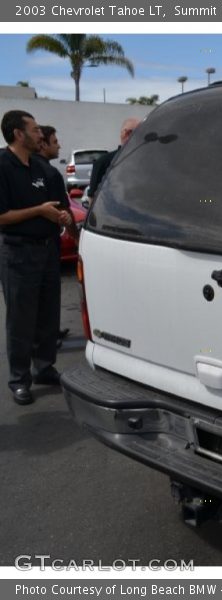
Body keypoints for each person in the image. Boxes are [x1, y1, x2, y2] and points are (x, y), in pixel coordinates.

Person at [0, 110, 72, 405]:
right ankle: (19, 379)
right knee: (21, 320)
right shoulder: (3, 166)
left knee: (48, 314)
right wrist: (39, 211)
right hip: (18, 253)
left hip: (48, 250)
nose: (40, 134)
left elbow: (60, 206)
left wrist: (63, 216)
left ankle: (44, 367)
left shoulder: (41, 168)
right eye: (34, 130)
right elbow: (2, 217)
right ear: (18, 134)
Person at [37, 125, 77, 346]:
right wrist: (77, 239)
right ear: (42, 144)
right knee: (47, 294)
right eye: (55, 142)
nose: (59, 145)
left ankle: (48, 332)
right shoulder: (50, 173)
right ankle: (46, 338)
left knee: (38, 296)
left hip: (31, 246)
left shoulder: (29, 169)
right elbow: (66, 210)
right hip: (45, 245)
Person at [87, 117, 140, 201]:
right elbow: (92, 198)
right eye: (129, 132)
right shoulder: (103, 162)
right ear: (124, 134)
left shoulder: (146, 162)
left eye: (139, 133)